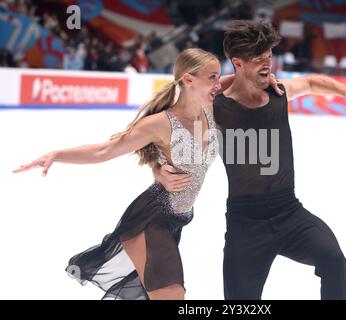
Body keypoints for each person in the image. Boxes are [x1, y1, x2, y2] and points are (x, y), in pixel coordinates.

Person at [153, 20, 346, 300]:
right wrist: (159, 169)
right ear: (237, 63)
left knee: (334, 260)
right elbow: (165, 132)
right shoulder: (216, 107)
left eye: (268, 56)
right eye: (257, 59)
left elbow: (311, 82)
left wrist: (343, 90)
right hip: (245, 222)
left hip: (289, 211)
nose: (267, 64)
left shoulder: (278, 93)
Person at [13, 48, 226, 300]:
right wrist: (57, 155)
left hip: (177, 220)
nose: (219, 83)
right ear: (189, 79)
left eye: (219, 76)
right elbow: (103, 151)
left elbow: (248, 80)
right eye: (213, 77)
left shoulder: (212, 110)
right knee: (171, 295)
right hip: (151, 218)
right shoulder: (159, 123)